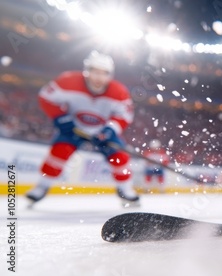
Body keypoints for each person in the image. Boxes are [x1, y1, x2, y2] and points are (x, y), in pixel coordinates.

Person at [26, 51, 140, 207]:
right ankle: (42, 185)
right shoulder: (67, 81)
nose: (99, 78)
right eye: (95, 72)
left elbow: (125, 115)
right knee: (59, 152)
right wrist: (61, 117)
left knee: (120, 157)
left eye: (104, 73)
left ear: (110, 75)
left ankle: (126, 189)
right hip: (73, 127)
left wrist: (110, 130)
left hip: (102, 131)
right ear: (87, 71)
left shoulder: (119, 92)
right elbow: (46, 97)